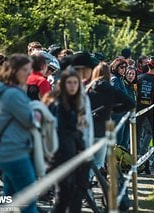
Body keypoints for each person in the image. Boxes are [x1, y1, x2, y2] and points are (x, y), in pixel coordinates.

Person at [0, 54, 40, 213]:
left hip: (6, 152)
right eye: (25, 70)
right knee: (29, 201)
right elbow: (31, 121)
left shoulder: (3, 90)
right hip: (16, 153)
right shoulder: (13, 94)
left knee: (9, 198)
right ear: (15, 71)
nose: (29, 74)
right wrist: (38, 115)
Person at [46, 69, 87, 212]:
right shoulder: (58, 104)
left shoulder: (73, 102)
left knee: (72, 194)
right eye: (69, 82)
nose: (73, 86)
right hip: (59, 155)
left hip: (71, 154)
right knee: (63, 196)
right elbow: (62, 132)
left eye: (75, 83)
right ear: (63, 84)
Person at [87, 62, 135, 173]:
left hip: (88, 127)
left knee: (89, 160)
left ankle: (89, 182)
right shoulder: (111, 89)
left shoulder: (87, 88)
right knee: (99, 161)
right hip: (103, 127)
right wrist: (114, 109)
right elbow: (131, 103)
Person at [136, 56, 154, 173]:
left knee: (136, 134)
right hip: (151, 109)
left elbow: (135, 91)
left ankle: (136, 159)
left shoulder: (139, 78)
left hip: (139, 108)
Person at [110, 57, 130, 149]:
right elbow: (116, 95)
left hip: (122, 114)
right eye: (122, 67)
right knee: (117, 141)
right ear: (116, 67)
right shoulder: (115, 79)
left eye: (125, 67)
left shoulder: (120, 79)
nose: (124, 70)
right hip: (116, 115)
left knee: (122, 141)